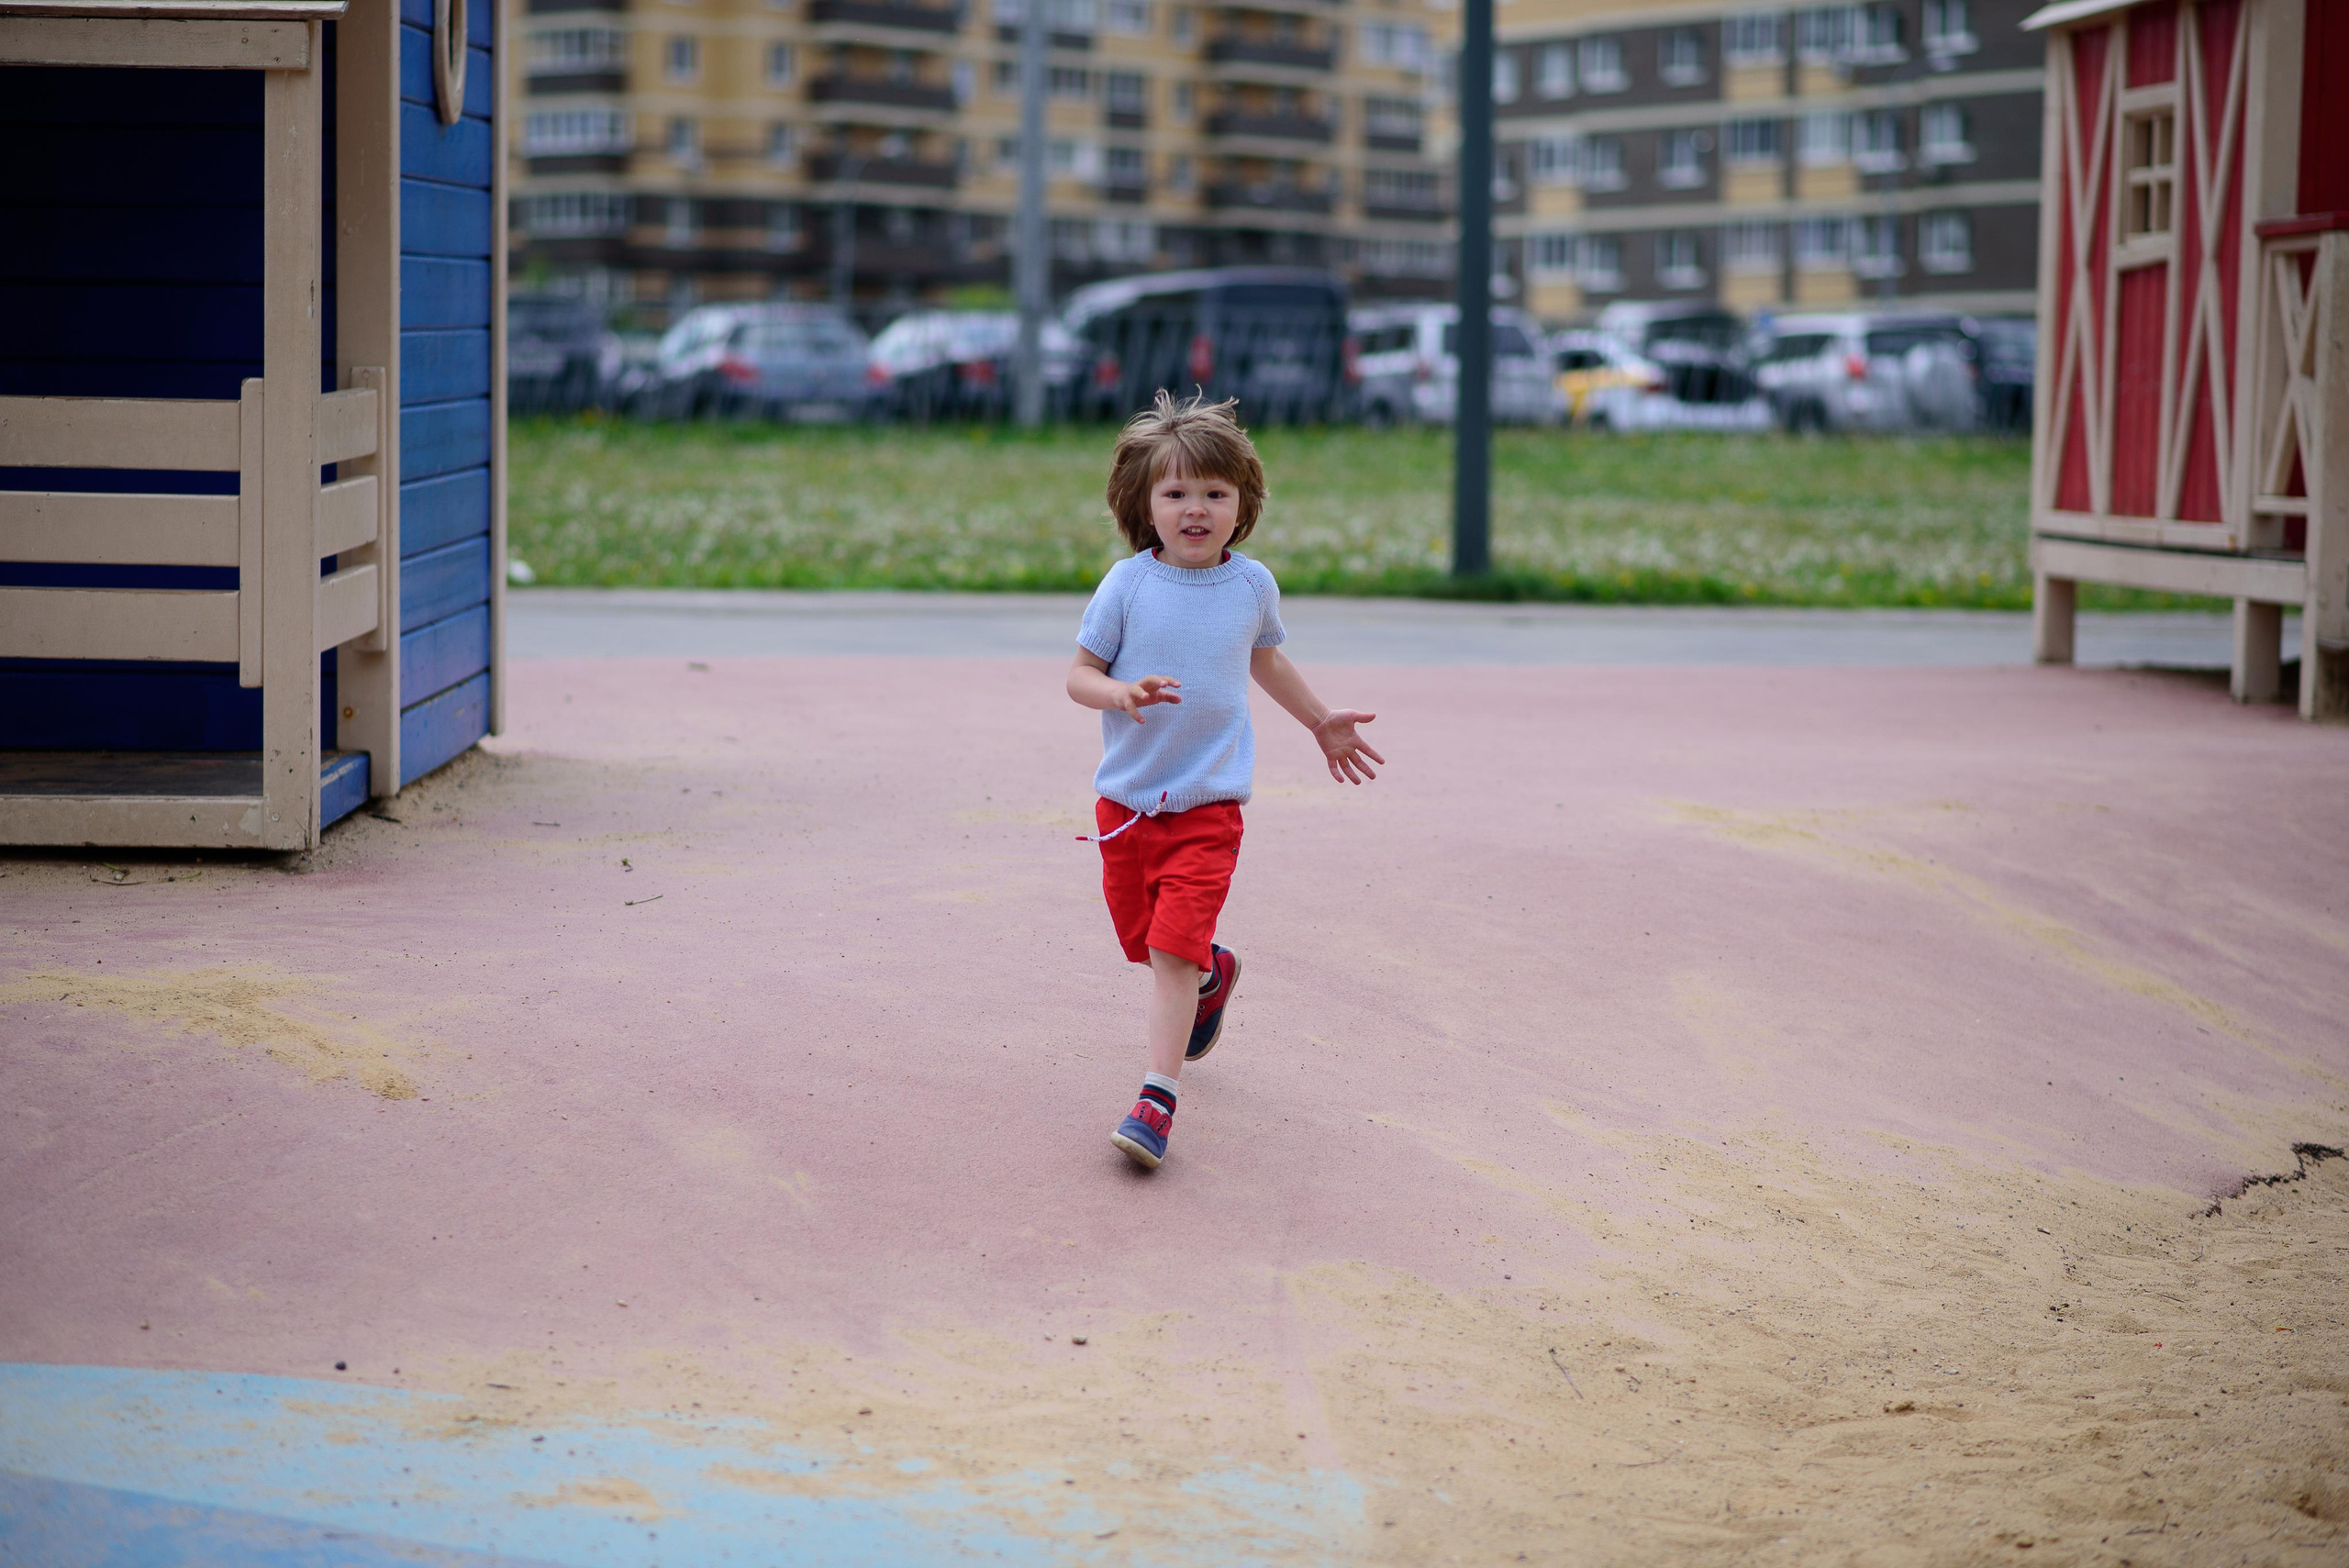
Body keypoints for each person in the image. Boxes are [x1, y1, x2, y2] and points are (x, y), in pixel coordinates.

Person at [1065, 392, 1386, 1171]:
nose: (1196, 509)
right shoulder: (1127, 585)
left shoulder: (1251, 586)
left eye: (1215, 492)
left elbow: (1264, 658)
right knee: (1149, 945)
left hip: (1209, 807)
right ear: (1144, 503)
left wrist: (1319, 721)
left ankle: (1154, 1101)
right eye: (1176, 493)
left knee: (1170, 955)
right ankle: (1214, 974)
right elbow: (1080, 676)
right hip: (1127, 805)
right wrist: (1121, 694)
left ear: (1243, 503)